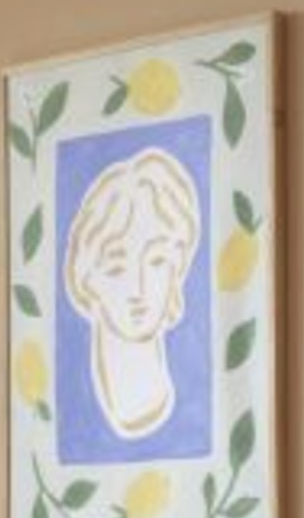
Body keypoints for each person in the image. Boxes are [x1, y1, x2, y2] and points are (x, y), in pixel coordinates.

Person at [61, 147, 201, 440]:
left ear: (177, 270)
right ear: (88, 278)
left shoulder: (197, 408)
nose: (138, 289)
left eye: (156, 261)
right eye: (116, 267)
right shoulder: (67, 414)